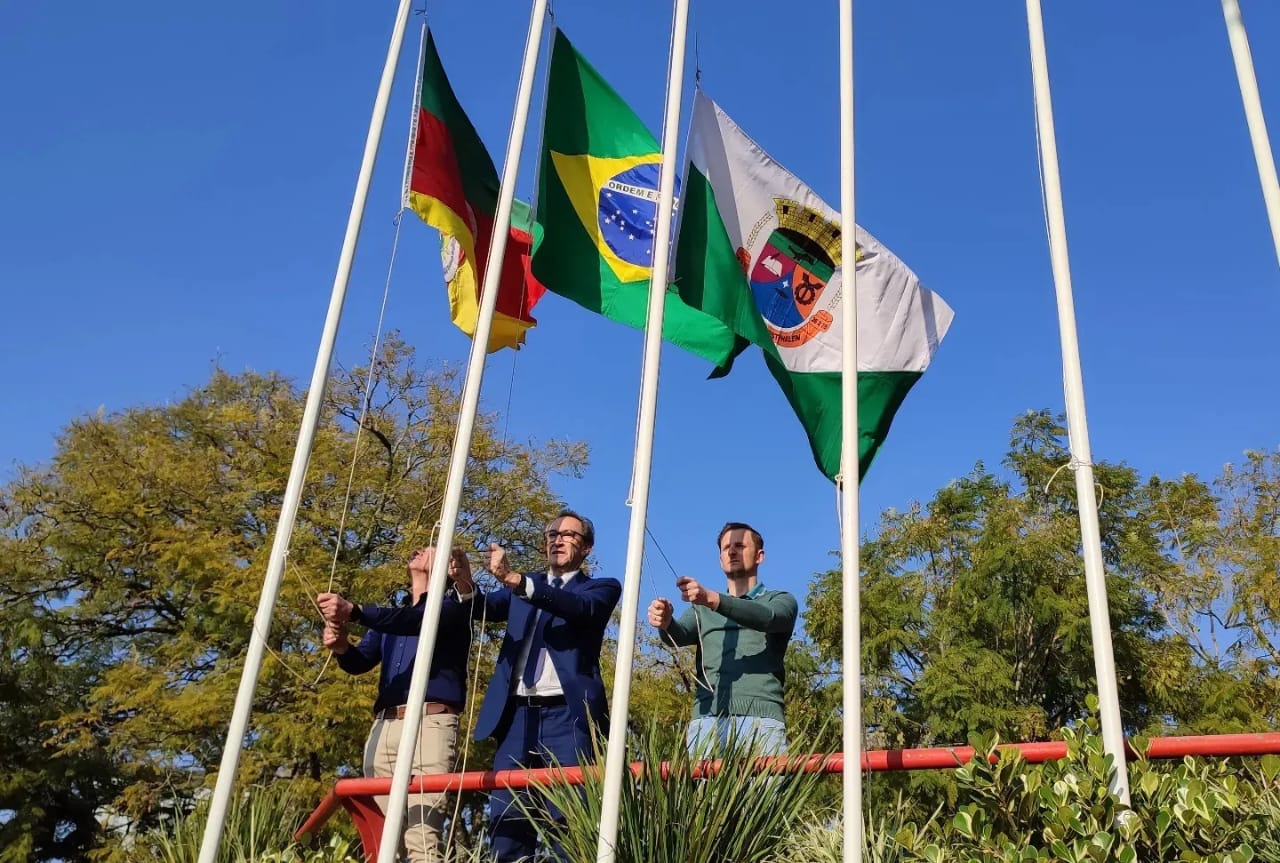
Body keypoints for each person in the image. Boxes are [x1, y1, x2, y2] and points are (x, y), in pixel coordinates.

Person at [471, 509, 621, 863]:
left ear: (586, 548)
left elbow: (580, 609)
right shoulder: (519, 589)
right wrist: (463, 581)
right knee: (507, 821)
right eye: (552, 534)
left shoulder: (600, 587)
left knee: (567, 823)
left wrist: (516, 579)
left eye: (569, 535)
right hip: (517, 718)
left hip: (567, 718)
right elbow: (481, 607)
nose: (558, 539)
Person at [317, 546, 475, 863]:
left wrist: (355, 610)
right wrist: (342, 646)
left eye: (431, 548)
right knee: (384, 839)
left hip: (430, 726)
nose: (417, 550)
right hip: (385, 726)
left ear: (447, 567)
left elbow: (416, 621)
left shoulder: (454, 609)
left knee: (422, 839)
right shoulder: (394, 614)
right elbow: (360, 661)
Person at [646, 522, 798, 757]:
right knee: (706, 795)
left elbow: (769, 618)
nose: (732, 551)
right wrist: (665, 621)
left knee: (763, 795)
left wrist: (713, 600)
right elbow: (677, 635)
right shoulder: (702, 609)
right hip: (707, 722)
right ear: (720, 560)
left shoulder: (779, 600)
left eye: (739, 545)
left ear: (760, 556)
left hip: (762, 722)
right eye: (726, 547)